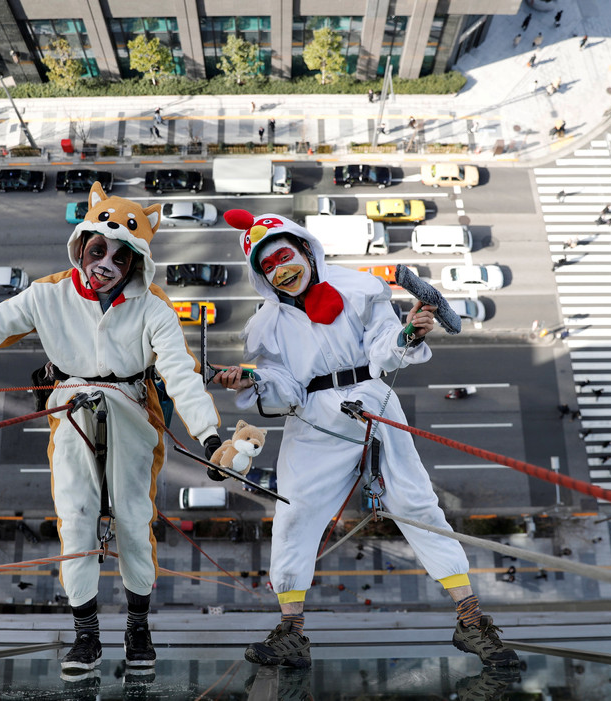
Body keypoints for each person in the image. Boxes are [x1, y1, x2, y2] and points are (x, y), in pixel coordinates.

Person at [0, 182, 223, 676]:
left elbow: (180, 373)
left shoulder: (153, 306)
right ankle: (86, 637)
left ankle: (138, 627)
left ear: (137, 264)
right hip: (71, 407)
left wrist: (210, 438)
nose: (107, 266)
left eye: (123, 259)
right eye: (99, 250)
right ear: (81, 245)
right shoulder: (46, 295)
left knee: (135, 522)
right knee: (74, 517)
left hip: (132, 410)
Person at [213, 210, 518, 670]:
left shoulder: (361, 288)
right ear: (262, 277)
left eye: (284, 255)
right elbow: (283, 387)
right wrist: (248, 382)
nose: (281, 269)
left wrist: (406, 333)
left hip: (372, 401)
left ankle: (471, 620)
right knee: (293, 515)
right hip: (312, 419)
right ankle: (291, 632)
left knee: (417, 504)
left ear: (304, 249)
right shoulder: (262, 327)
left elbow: (382, 346)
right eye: (269, 266)